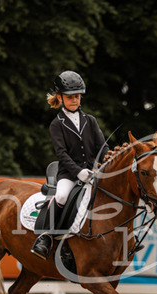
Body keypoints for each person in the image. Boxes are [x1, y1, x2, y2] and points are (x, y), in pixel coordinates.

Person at [31, 71, 109, 260]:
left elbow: (103, 147)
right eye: (69, 97)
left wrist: (110, 161)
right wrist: (78, 172)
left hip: (92, 173)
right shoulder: (56, 124)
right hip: (69, 174)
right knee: (62, 196)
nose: (74, 100)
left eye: (77, 96)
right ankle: (47, 236)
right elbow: (62, 154)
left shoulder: (90, 120)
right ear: (60, 97)